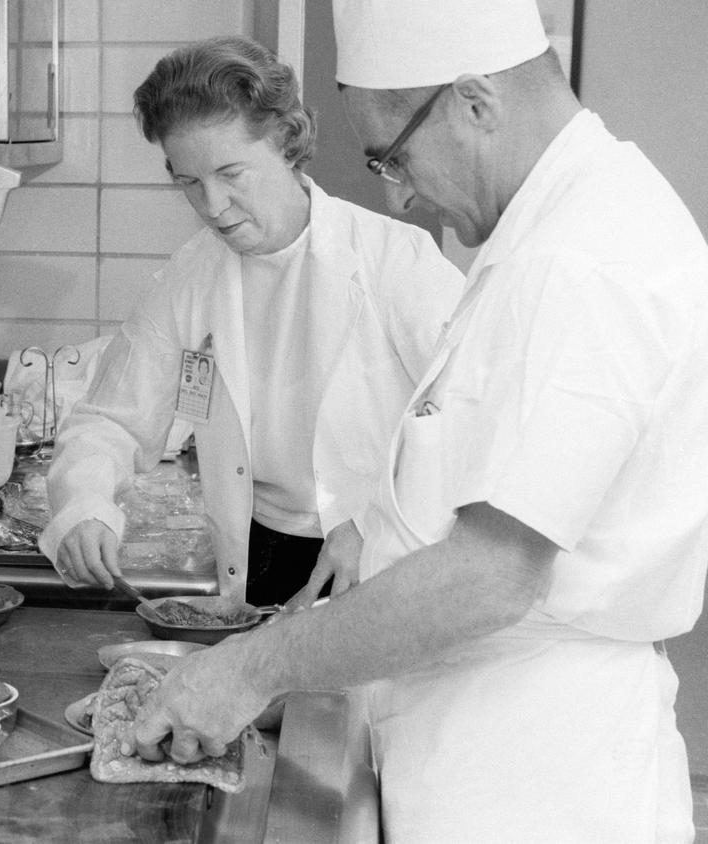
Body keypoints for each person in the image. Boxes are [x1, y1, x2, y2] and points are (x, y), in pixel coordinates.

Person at [127, 3, 708, 841]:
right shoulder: (564, 227)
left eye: (393, 156)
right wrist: (383, 522)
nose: (397, 191)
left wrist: (253, 668)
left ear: (476, 102)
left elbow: (493, 574)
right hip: (495, 744)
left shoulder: (576, 265)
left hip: (528, 780)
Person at [36, 36, 463, 608]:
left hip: (382, 552)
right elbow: (113, 419)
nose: (213, 205)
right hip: (260, 553)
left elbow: (474, 420)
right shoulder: (192, 276)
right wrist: (84, 504)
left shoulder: (396, 261)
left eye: (231, 172)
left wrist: (376, 522)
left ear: (287, 142)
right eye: (189, 182)